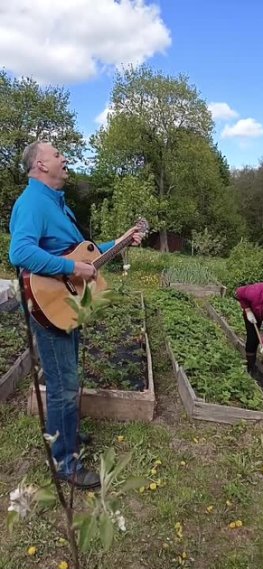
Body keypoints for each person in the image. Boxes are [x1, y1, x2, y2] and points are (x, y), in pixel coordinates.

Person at [9, 141, 142, 490]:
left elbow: (85, 256)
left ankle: (66, 433)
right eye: (56, 154)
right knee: (62, 386)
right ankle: (64, 464)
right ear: (40, 164)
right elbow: (20, 251)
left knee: (67, 381)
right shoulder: (33, 202)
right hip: (49, 307)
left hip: (67, 306)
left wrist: (122, 241)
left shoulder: (56, 203)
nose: (63, 158)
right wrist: (71, 267)